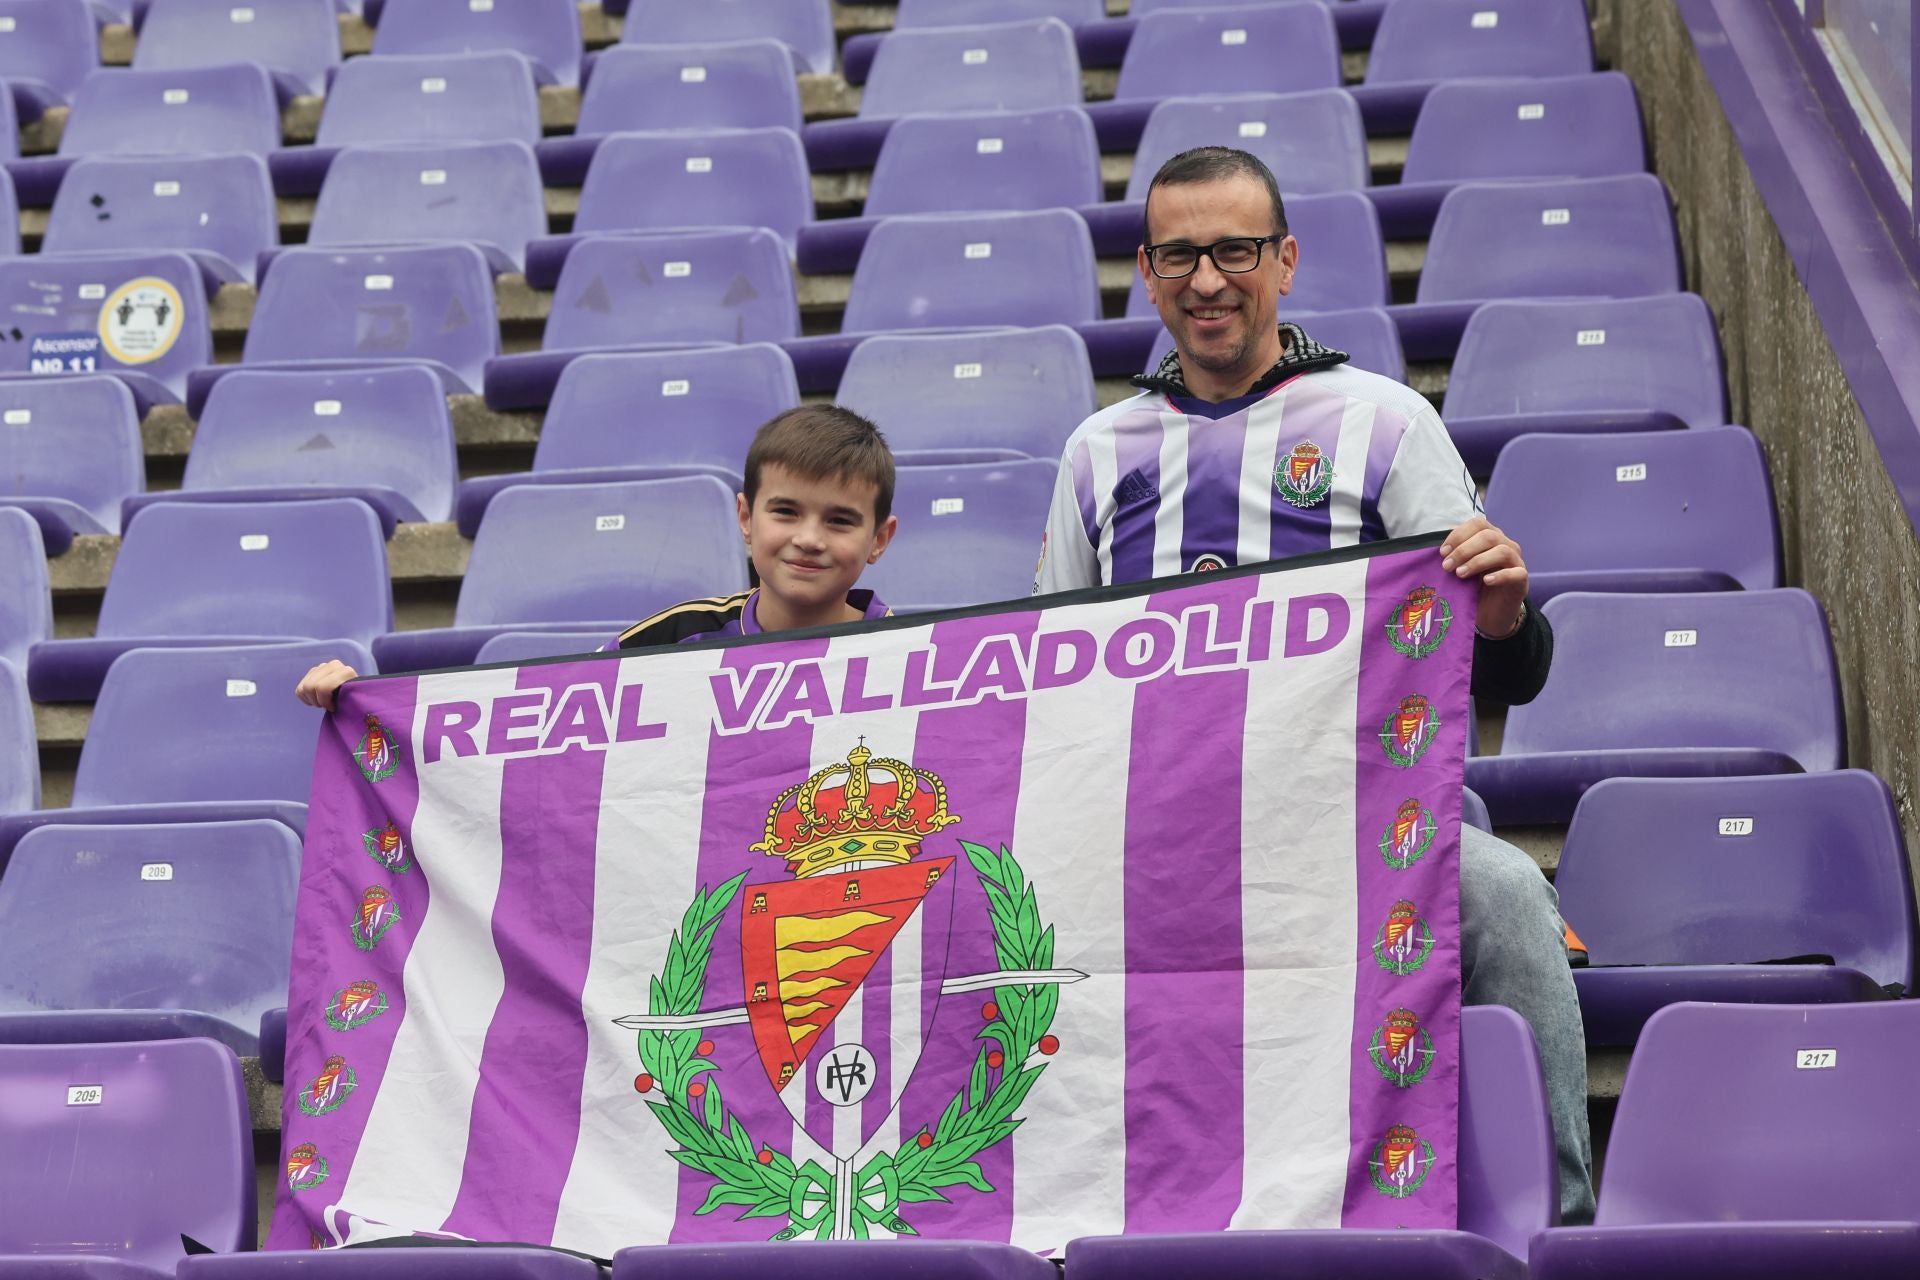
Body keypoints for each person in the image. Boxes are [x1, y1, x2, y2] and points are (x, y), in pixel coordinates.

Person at [1034, 146, 1595, 1222]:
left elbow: (1508, 661)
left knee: (1507, 894)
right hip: (1150, 844)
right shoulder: (1097, 452)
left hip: (1357, 828)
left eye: (1235, 250)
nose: (1208, 280)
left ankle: (1558, 1224)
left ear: (1284, 261)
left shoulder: (1384, 420)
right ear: (1145, 275)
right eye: (1180, 255)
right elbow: (1054, 670)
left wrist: (1505, 607)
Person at [295, 406, 900, 708]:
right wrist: (368, 702)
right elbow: (538, 717)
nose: (810, 538)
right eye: (786, 512)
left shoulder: (926, 659)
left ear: (879, 539)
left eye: (840, 520)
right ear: (745, 519)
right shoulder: (671, 638)